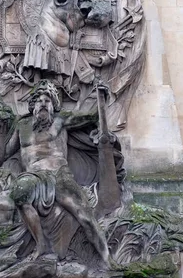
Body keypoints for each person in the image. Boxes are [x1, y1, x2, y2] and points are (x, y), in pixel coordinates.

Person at [7, 80, 113, 267]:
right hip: (33, 175)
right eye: (39, 100)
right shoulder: (22, 125)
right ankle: (40, 244)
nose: (43, 103)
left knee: (85, 215)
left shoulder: (61, 120)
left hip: (59, 174)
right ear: (32, 105)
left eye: (47, 100)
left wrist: (102, 97)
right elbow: (6, 152)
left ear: (53, 105)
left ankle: (109, 260)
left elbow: (92, 116)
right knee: (19, 193)